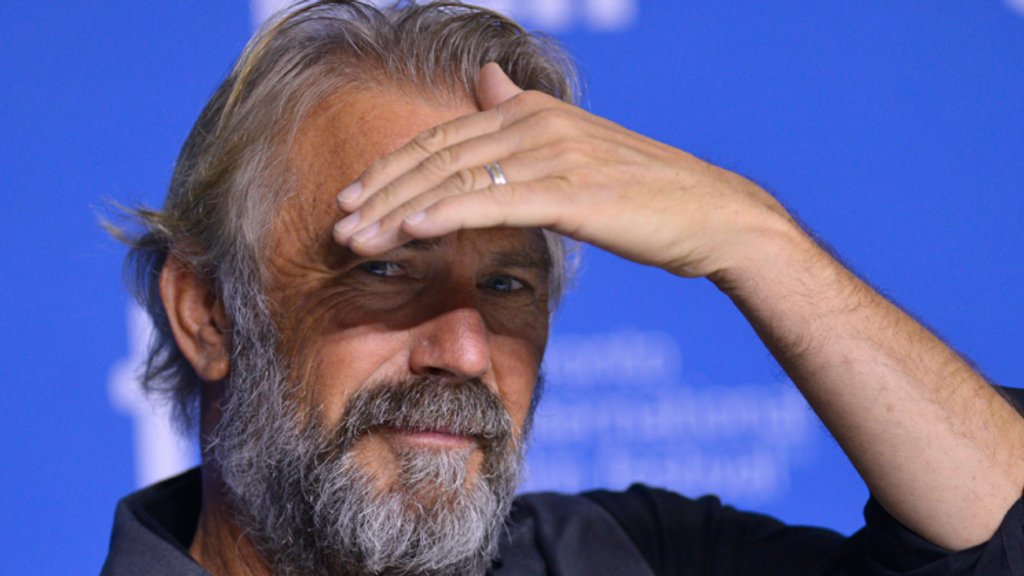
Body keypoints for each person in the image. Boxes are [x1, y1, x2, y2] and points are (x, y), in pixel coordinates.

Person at [100, 1, 1024, 575]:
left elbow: (993, 541)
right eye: (385, 269)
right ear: (209, 314)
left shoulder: (634, 558)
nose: (465, 350)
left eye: (507, 283)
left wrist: (752, 235)